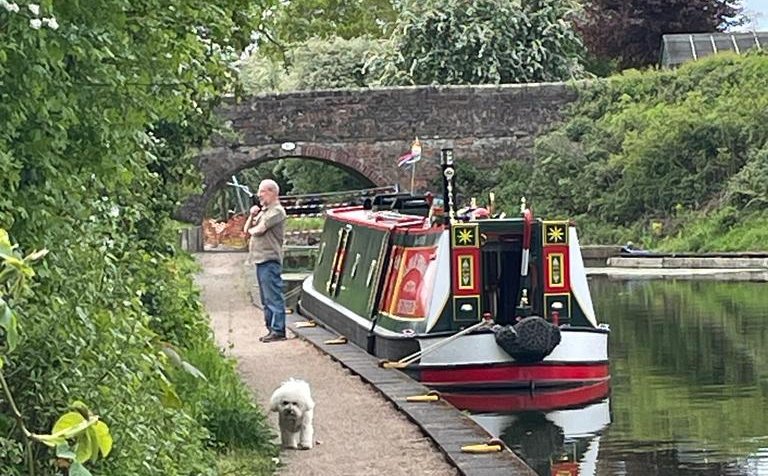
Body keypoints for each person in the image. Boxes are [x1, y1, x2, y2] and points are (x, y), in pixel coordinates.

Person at [243, 179, 288, 343]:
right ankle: (271, 328)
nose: (259, 195)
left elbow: (260, 230)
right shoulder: (264, 211)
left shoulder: (276, 212)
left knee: (273, 295)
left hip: (270, 259)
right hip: (260, 259)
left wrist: (252, 229)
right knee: (265, 298)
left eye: (261, 192)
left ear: (271, 192)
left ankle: (278, 329)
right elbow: (246, 231)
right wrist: (251, 215)